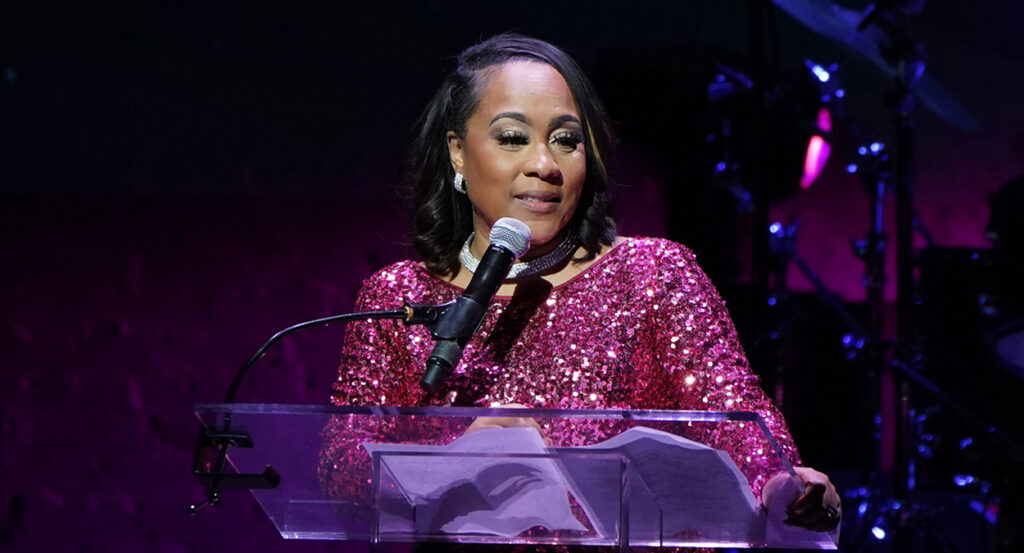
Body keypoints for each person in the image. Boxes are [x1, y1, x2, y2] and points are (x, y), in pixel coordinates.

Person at [318, 33, 841, 536]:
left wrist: (781, 484)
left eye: (566, 140)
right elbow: (342, 463)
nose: (545, 165)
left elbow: (732, 415)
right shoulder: (397, 298)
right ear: (458, 151)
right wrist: (450, 462)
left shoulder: (652, 275)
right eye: (512, 138)